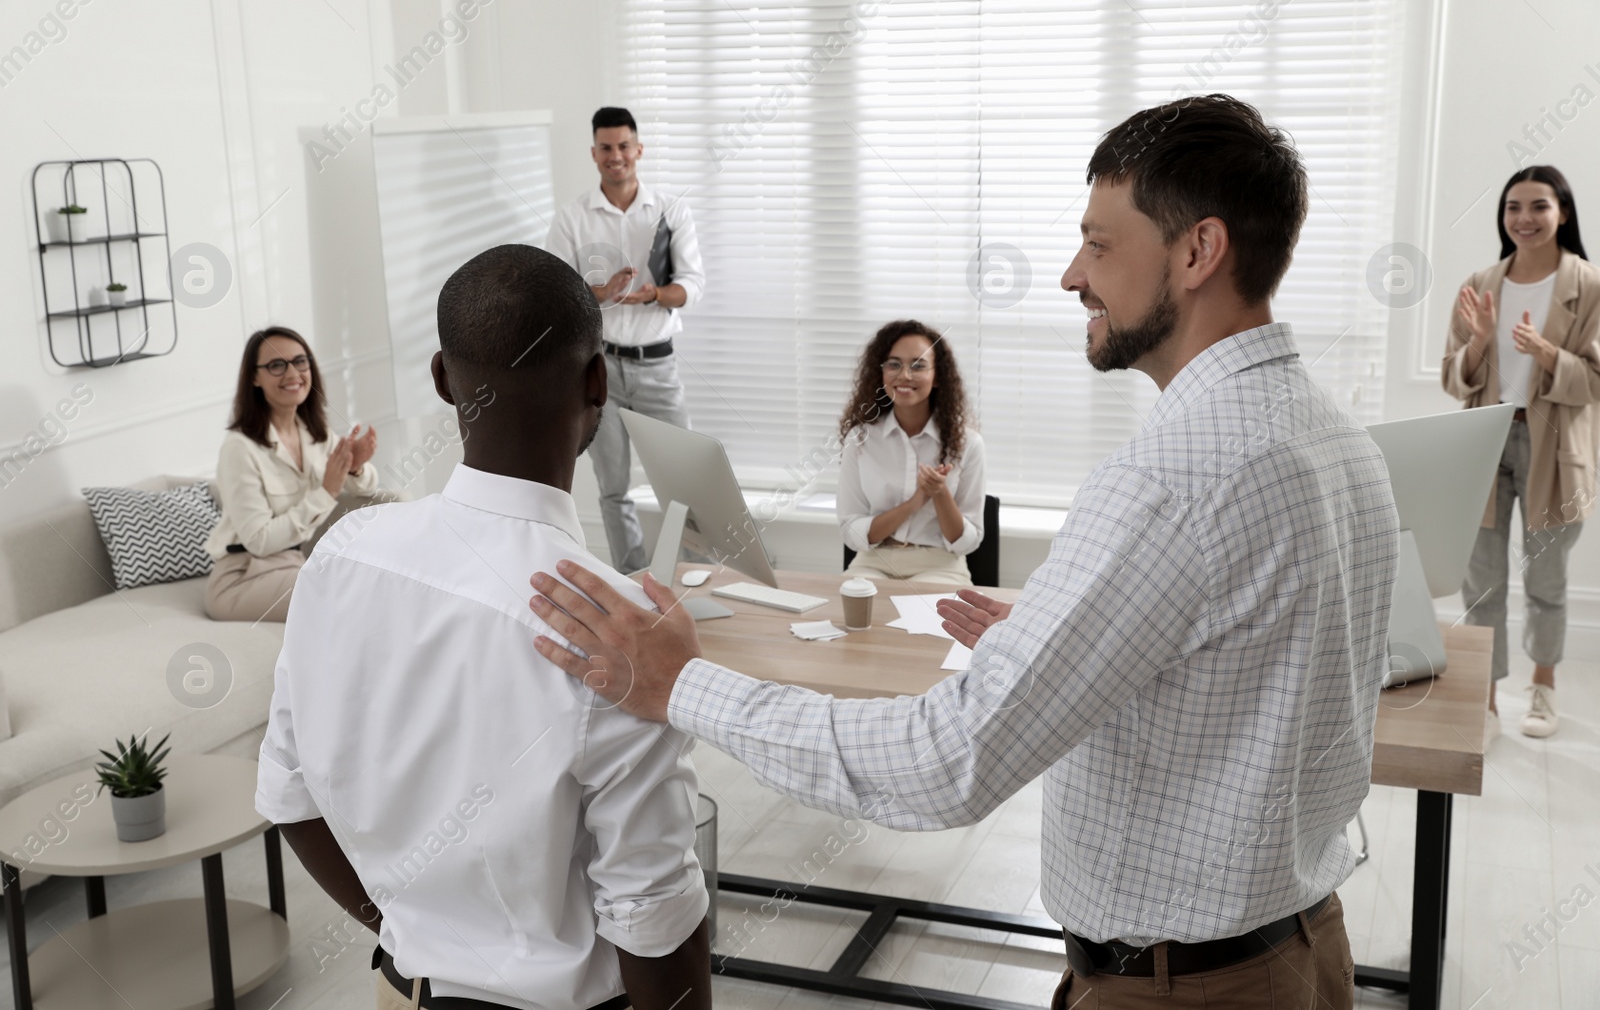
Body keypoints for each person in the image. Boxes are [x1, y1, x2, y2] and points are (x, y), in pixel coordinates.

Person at [527, 95, 1399, 1010]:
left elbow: (948, 760)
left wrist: (681, 683)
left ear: (1197, 252)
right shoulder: (1336, 436)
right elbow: (1260, 659)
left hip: (1183, 987)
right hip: (1304, 949)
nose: (1072, 274)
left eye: (1099, 245)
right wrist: (1062, 631)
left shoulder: (1167, 479)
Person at [255, 245, 712, 1010]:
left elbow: (287, 795)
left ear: (442, 379)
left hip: (399, 990)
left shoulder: (342, 553)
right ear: (597, 380)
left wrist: (425, 939)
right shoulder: (613, 628)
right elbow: (656, 919)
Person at [1442, 164, 1600, 741]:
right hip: (1486, 437)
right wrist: (1481, 341)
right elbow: (1452, 379)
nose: (1524, 219)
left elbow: (1596, 381)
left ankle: (1543, 687)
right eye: (1513, 207)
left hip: (1553, 446)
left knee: (1546, 579)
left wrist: (1548, 352)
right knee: (1480, 581)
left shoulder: (1589, 285)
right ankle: (1482, 702)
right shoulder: (1482, 281)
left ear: (1562, 212)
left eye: (1538, 206)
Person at [545, 106, 706, 574]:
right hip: (599, 369)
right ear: (593, 154)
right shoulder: (572, 217)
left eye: (623, 147)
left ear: (639, 150)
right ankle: (633, 580)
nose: (616, 156)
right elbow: (556, 294)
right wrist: (600, 294)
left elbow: (692, 286)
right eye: (606, 148)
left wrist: (653, 293)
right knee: (613, 487)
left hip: (658, 365)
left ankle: (695, 577)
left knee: (685, 481)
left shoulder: (670, 210)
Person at [203, 326, 379, 622]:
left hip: (293, 563)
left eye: (300, 361)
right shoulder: (239, 448)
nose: (292, 373)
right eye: (275, 365)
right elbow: (258, 541)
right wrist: (325, 493)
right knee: (345, 594)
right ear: (255, 378)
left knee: (369, 583)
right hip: (242, 576)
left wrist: (354, 466)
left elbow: (366, 488)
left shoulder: (316, 433)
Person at [837, 320, 986, 586]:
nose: (904, 375)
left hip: (940, 564)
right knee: (852, 615)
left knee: (936, 624)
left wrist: (939, 494)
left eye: (918, 365)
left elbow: (967, 542)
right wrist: (914, 503)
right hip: (873, 561)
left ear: (937, 375)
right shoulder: (860, 439)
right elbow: (852, 531)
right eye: (894, 364)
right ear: (880, 372)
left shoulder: (968, 444)